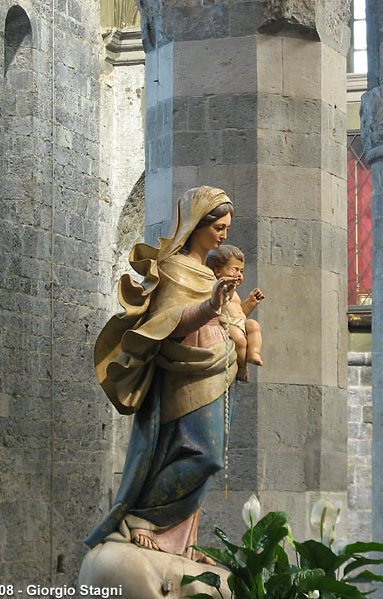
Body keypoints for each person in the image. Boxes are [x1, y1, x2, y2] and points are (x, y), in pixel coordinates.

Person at [86, 186, 240, 563]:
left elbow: (225, 317)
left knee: (205, 456)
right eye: (218, 227)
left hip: (216, 366)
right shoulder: (174, 267)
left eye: (226, 227)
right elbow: (169, 323)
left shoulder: (208, 272)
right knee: (201, 453)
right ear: (196, 224)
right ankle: (143, 516)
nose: (223, 235)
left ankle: (180, 542)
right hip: (185, 370)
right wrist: (211, 305)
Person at [206, 245, 265, 382]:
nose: (239, 274)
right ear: (218, 271)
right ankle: (242, 366)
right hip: (226, 323)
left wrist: (251, 302)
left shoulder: (236, 293)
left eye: (241, 271)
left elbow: (241, 312)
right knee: (240, 340)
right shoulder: (219, 288)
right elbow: (220, 303)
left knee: (254, 325)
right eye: (235, 270)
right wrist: (230, 287)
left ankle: (254, 353)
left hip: (239, 323)